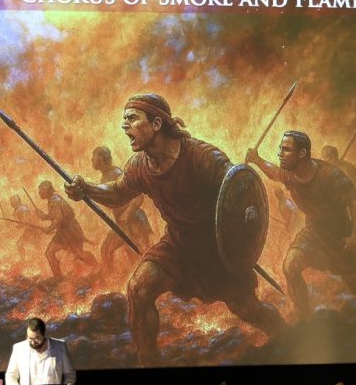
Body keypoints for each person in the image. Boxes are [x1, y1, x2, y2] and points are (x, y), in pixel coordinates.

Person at [65, 93, 287, 364]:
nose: (125, 125)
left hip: (216, 250)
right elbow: (118, 193)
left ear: (156, 123)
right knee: (139, 288)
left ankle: (288, 338)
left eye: (132, 118)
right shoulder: (140, 165)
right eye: (124, 120)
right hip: (179, 245)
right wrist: (87, 188)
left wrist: (240, 245)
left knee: (247, 309)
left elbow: (240, 191)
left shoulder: (201, 156)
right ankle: (149, 364)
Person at [245, 130, 356, 322]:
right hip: (313, 233)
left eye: (286, 149)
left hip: (338, 236)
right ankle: (305, 318)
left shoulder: (329, 175)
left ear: (302, 153)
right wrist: (257, 160)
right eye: (280, 148)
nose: (280, 153)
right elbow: (274, 172)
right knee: (290, 266)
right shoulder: (291, 175)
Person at [91, 145, 153, 273]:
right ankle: (109, 278)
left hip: (134, 220)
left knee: (141, 255)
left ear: (101, 158)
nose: (92, 160)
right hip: (123, 223)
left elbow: (138, 197)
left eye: (94, 156)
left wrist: (126, 215)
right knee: (108, 250)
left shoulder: (117, 174)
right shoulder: (106, 176)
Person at [36, 180, 98, 279]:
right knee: (50, 252)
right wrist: (44, 216)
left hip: (70, 231)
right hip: (64, 231)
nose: (39, 192)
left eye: (41, 189)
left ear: (47, 190)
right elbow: (55, 215)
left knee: (78, 253)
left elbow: (58, 220)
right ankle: (58, 277)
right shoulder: (53, 200)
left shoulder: (55, 201)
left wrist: (48, 229)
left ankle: (97, 267)